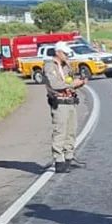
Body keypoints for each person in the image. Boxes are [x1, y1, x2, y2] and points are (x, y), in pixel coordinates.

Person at [44, 42, 87, 173]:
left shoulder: (66, 66)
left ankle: (69, 157)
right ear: (58, 52)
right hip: (59, 103)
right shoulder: (50, 66)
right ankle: (59, 160)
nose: (67, 55)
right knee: (60, 132)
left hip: (70, 101)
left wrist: (80, 82)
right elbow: (55, 84)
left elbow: (69, 81)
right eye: (65, 53)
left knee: (71, 131)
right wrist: (73, 84)